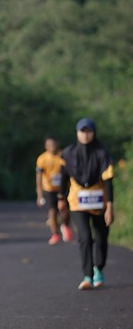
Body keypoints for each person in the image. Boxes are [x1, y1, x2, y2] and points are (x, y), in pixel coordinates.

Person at [59, 118, 114, 290]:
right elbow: (63, 178)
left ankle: (99, 269)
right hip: (77, 202)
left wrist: (110, 207)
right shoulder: (68, 153)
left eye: (88, 131)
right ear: (77, 133)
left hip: (99, 202)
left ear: (94, 133)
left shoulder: (102, 153)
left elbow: (108, 182)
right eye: (82, 131)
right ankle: (87, 276)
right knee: (84, 237)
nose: (85, 135)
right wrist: (61, 198)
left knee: (101, 237)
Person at [36, 136, 73, 245]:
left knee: (65, 210)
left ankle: (65, 225)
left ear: (57, 144)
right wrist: (39, 195)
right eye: (49, 145)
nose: (52, 147)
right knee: (52, 211)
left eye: (53, 144)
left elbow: (70, 172)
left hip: (63, 188)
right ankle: (55, 234)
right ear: (46, 146)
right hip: (49, 189)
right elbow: (38, 178)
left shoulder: (63, 156)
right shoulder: (42, 159)